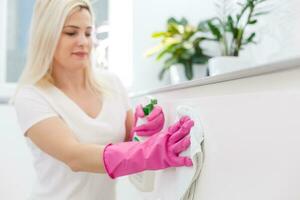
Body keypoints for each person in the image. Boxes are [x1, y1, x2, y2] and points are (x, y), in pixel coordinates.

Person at [12, 0, 194, 199]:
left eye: (88, 33)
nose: (83, 41)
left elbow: (129, 143)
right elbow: (75, 157)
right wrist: (148, 152)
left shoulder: (112, 84)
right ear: (47, 35)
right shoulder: (32, 96)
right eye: (71, 32)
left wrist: (146, 128)